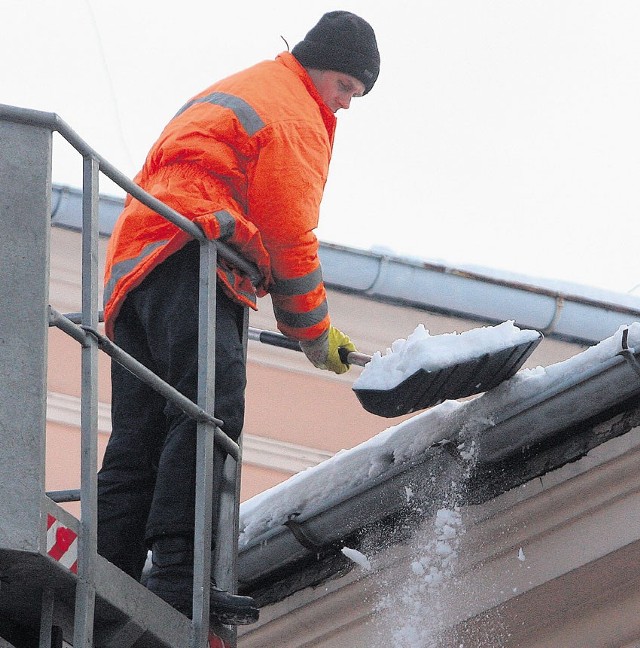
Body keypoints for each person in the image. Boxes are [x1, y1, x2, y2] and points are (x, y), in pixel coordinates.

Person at [97, 10, 380, 627]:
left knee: (139, 435)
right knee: (207, 413)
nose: (347, 105)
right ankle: (179, 576)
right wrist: (314, 333)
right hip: (198, 255)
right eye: (348, 89)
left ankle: (105, 567)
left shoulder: (255, 85)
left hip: (141, 262)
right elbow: (287, 235)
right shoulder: (296, 112)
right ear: (324, 67)